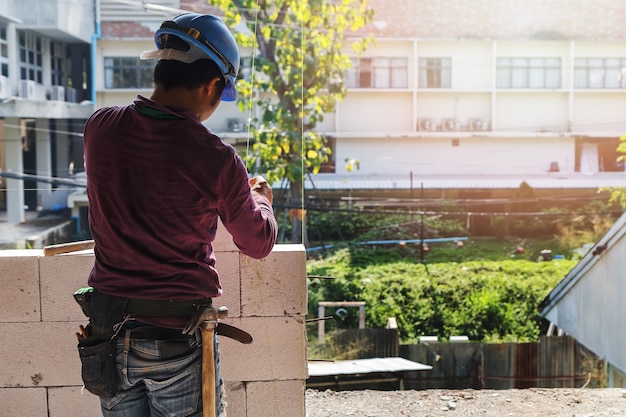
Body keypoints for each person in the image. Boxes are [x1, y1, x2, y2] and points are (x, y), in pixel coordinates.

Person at [81, 13, 277, 417]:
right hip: (175, 336)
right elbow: (257, 242)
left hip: (107, 334)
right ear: (211, 85)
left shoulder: (99, 128)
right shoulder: (215, 157)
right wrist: (262, 200)